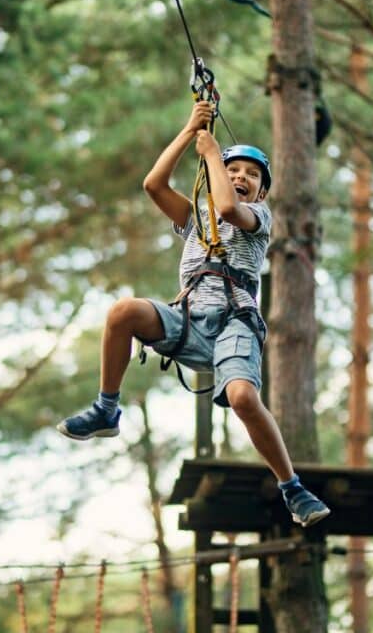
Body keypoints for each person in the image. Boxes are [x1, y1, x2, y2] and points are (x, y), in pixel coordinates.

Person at [56, 100, 330, 527]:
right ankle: (107, 408)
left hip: (235, 324)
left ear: (262, 192)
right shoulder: (196, 218)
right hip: (187, 318)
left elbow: (226, 209)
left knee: (242, 397)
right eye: (234, 170)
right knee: (123, 312)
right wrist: (189, 130)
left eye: (251, 176)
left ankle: (291, 487)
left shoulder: (258, 216)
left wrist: (213, 157)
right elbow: (153, 184)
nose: (241, 177)